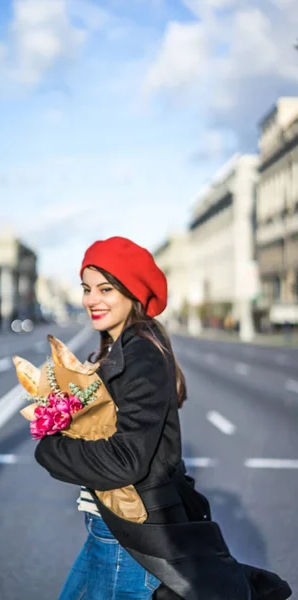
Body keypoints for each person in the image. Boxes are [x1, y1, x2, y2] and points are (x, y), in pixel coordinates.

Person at [35, 236, 291, 600]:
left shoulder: (141, 355)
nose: (91, 299)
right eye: (87, 288)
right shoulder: (122, 347)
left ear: (132, 293)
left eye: (105, 289)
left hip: (125, 538)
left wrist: (50, 448)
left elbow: (127, 461)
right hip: (109, 526)